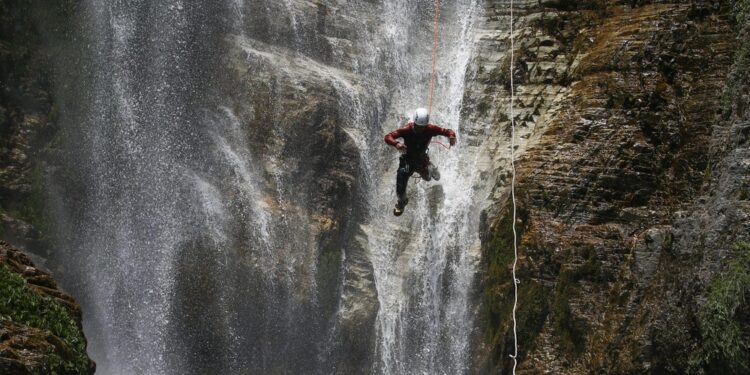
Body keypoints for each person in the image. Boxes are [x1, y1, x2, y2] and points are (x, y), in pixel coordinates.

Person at [384, 107, 457, 216]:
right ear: (414, 123)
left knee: (431, 178)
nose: (420, 129)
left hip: (421, 161)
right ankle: (402, 202)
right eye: (418, 126)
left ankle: (431, 168)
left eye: (423, 127)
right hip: (407, 162)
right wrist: (397, 144)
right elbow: (388, 136)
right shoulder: (406, 129)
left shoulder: (430, 128)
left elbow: (447, 131)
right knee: (400, 187)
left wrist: (451, 136)